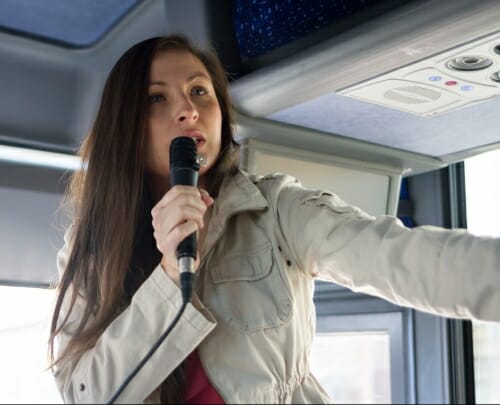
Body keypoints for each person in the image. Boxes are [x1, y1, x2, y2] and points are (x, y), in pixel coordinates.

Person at [48, 34, 500, 404]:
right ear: (122, 126)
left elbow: (403, 258)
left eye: (199, 91)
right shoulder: (88, 248)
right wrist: (169, 274)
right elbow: (86, 394)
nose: (187, 109)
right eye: (155, 99)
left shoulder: (273, 208)